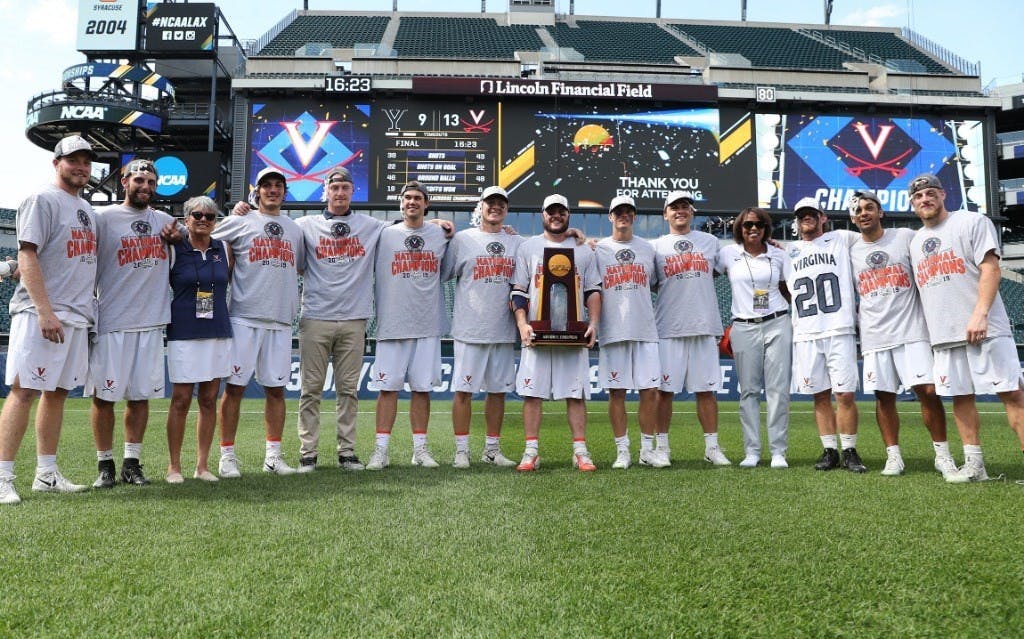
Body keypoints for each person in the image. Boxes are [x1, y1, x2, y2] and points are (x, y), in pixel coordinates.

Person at [0, 135, 98, 504]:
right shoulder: (42, 199)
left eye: (87, 161)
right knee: (24, 390)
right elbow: (28, 255)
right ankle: (3, 476)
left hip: (75, 314)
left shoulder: (86, 209)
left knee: (56, 393)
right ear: (56, 162)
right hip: (41, 311)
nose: (81, 167)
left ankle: (46, 474)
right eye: (74, 160)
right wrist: (44, 311)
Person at [907, 173, 1024, 482]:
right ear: (913, 203)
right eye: (918, 197)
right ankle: (975, 467)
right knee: (960, 397)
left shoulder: (971, 222)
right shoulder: (916, 241)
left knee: (1012, 394)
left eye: (931, 193)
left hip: (985, 328)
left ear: (943, 194)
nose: (925, 199)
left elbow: (991, 269)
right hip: (945, 335)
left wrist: (980, 314)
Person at [848, 189, 957, 478]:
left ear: (880, 212)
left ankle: (942, 455)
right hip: (874, 335)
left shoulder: (906, 237)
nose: (864, 213)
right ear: (853, 218)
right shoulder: (849, 248)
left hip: (912, 331)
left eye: (869, 208)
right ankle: (893, 457)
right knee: (884, 397)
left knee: (928, 392)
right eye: (858, 210)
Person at [87, 158, 177, 488]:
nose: (145, 187)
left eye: (151, 182)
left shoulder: (166, 221)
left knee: (140, 397)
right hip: (112, 319)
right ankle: (104, 464)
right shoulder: (103, 218)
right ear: (123, 182)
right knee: (104, 396)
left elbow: (202, 231)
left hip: (152, 322)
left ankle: (131, 463)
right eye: (139, 180)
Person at [213, 167, 305, 477]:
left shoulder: (294, 229)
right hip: (244, 317)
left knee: (276, 391)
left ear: (284, 191)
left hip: (280, 320)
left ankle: (273, 457)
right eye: (267, 185)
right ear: (257, 192)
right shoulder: (240, 221)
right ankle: (227, 456)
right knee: (235, 388)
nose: (273, 190)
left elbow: (302, 266)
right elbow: (203, 234)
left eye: (278, 185)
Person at [292, 168, 384, 472]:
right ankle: (308, 453)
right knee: (311, 389)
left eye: (345, 187)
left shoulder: (370, 226)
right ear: (325, 191)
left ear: (352, 191)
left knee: (348, 390)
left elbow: (407, 228)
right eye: (335, 188)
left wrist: (438, 222)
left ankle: (347, 452)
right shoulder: (304, 225)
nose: (340, 193)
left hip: (354, 319)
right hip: (316, 316)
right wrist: (244, 208)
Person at [511, 194, 601, 471]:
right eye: (551, 211)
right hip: (537, 334)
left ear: (568, 215)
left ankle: (580, 452)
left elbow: (593, 290)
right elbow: (519, 291)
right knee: (532, 394)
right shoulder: (528, 248)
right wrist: (522, 324)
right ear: (543, 214)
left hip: (572, 335)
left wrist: (593, 324)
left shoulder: (584, 249)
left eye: (561, 211)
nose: (556, 215)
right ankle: (531, 452)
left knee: (575, 394)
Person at [365, 181, 449, 470]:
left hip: (427, 325)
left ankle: (420, 450)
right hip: (391, 325)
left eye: (418, 198)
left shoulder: (440, 234)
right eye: (407, 198)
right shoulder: (383, 233)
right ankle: (381, 450)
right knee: (387, 389)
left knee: (421, 390)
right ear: (400, 203)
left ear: (427, 203)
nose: (412, 202)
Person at [441, 186, 522, 468]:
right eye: (490, 203)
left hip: (502, 330)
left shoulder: (517, 242)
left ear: (506, 209)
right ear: (481, 206)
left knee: (498, 392)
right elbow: (443, 273)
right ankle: (461, 450)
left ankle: (491, 449)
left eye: (500, 203)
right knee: (463, 392)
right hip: (469, 329)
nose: (495, 207)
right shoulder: (463, 239)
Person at [652, 191, 730, 467]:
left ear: (692, 212)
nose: (680, 211)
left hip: (704, 325)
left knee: (707, 391)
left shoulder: (710, 242)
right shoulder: (657, 246)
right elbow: (648, 282)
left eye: (685, 206)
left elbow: (729, 267)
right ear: (665, 214)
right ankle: (661, 447)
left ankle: (712, 446)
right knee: (664, 392)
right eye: (674, 207)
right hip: (668, 328)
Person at [786, 197, 864, 472]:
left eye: (811, 214)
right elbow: (786, 289)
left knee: (844, 395)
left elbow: (871, 237)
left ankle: (850, 450)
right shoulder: (789, 251)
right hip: (806, 332)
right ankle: (830, 449)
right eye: (801, 215)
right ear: (796, 221)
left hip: (838, 327)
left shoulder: (841, 239)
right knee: (819, 395)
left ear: (823, 217)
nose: (806, 218)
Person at [715, 207, 792, 469]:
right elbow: (705, 273)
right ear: (740, 228)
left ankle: (778, 451)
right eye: (748, 225)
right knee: (748, 391)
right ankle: (752, 450)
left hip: (778, 322)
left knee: (778, 390)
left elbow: (789, 289)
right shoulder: (727, 253)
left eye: (758, 224)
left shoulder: (780, 254)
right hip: (744, 326)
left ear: (766, 228)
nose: (753, 229)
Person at [163, 196, 231, 483]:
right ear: (186, 218)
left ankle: (202, 466)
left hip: (217, 330)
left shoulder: (224, 247)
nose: (203, 220)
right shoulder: (173, 247)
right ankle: (174, 466)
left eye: (210, 216)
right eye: (197, 215)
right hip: (184, 330)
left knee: (208, 399)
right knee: (180, 399)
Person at [594, 195, 664, 469]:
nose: (623, 215)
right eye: (618, 212)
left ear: (634, 216)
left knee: (650, 391)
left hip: (645, 330)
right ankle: (623, 451)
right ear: (610, 217)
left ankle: (647, 450)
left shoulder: (649, 249)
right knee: (617, 394)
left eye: (628, 212)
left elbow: (658, 283)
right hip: (613, 331)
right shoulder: (597, 249)